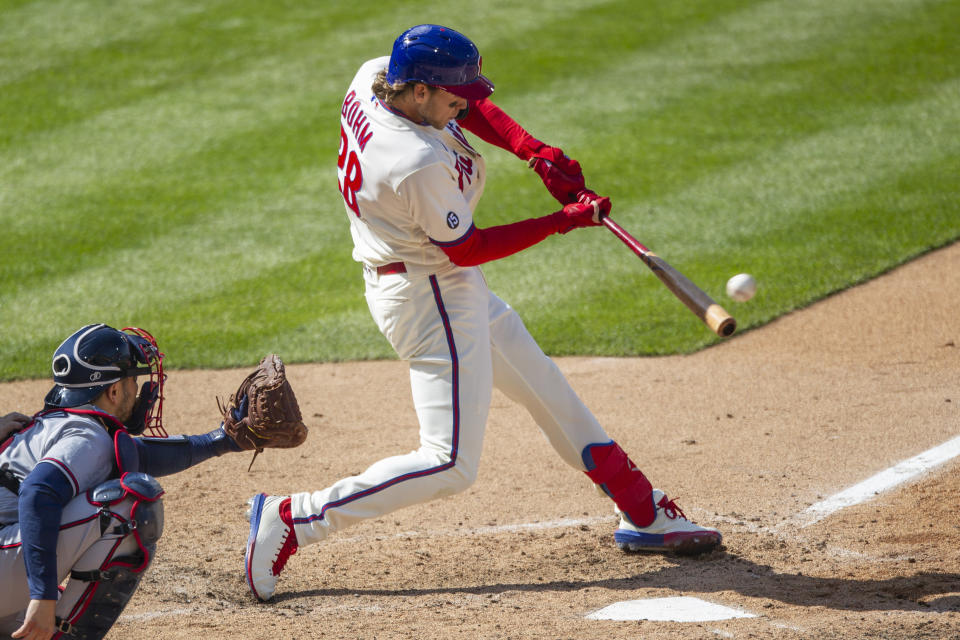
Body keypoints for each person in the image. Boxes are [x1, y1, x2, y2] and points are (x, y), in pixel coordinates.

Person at [244, 24, 722, 602]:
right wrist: (562, 221)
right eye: (452, 95)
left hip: (440, 284)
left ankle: (644, 511)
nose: (464, 102)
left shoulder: (378, 76)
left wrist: (533, 151)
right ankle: (292, 519)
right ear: (418, 91)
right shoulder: (412, 160)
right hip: (430, 296)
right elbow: (466, 248)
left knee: (544, 386)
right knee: (449, 463)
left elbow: (475, 110)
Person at [0, 324, 246, 639]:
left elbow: (140, 454)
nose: (140, 391)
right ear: (114, 391)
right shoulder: (86, 435)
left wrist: (222, 440)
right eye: (133, 380)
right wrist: (43, 595)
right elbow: (38, 493)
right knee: (128, 506)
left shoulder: (57, 425)